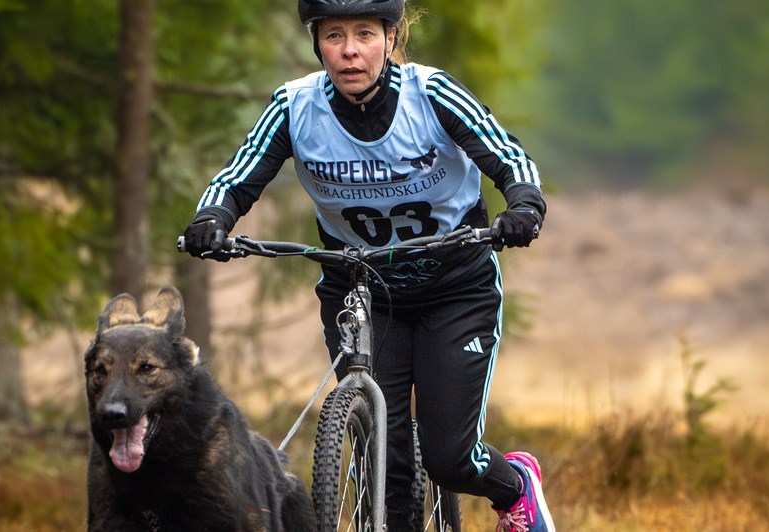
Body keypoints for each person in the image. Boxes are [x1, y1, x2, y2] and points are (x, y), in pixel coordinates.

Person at [182, 0, 554, 530]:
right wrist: (213, 218)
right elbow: (237, 177)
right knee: (389, 461)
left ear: (392, 36)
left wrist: (523, 205)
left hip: (455, 287)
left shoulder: (432, 95)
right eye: (334, 35)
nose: (350, 50)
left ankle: (516, 486)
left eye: (364, 34)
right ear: (317, 44)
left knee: (449, 458)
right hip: (361, 289)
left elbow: (508, 156)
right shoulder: (296, 106)